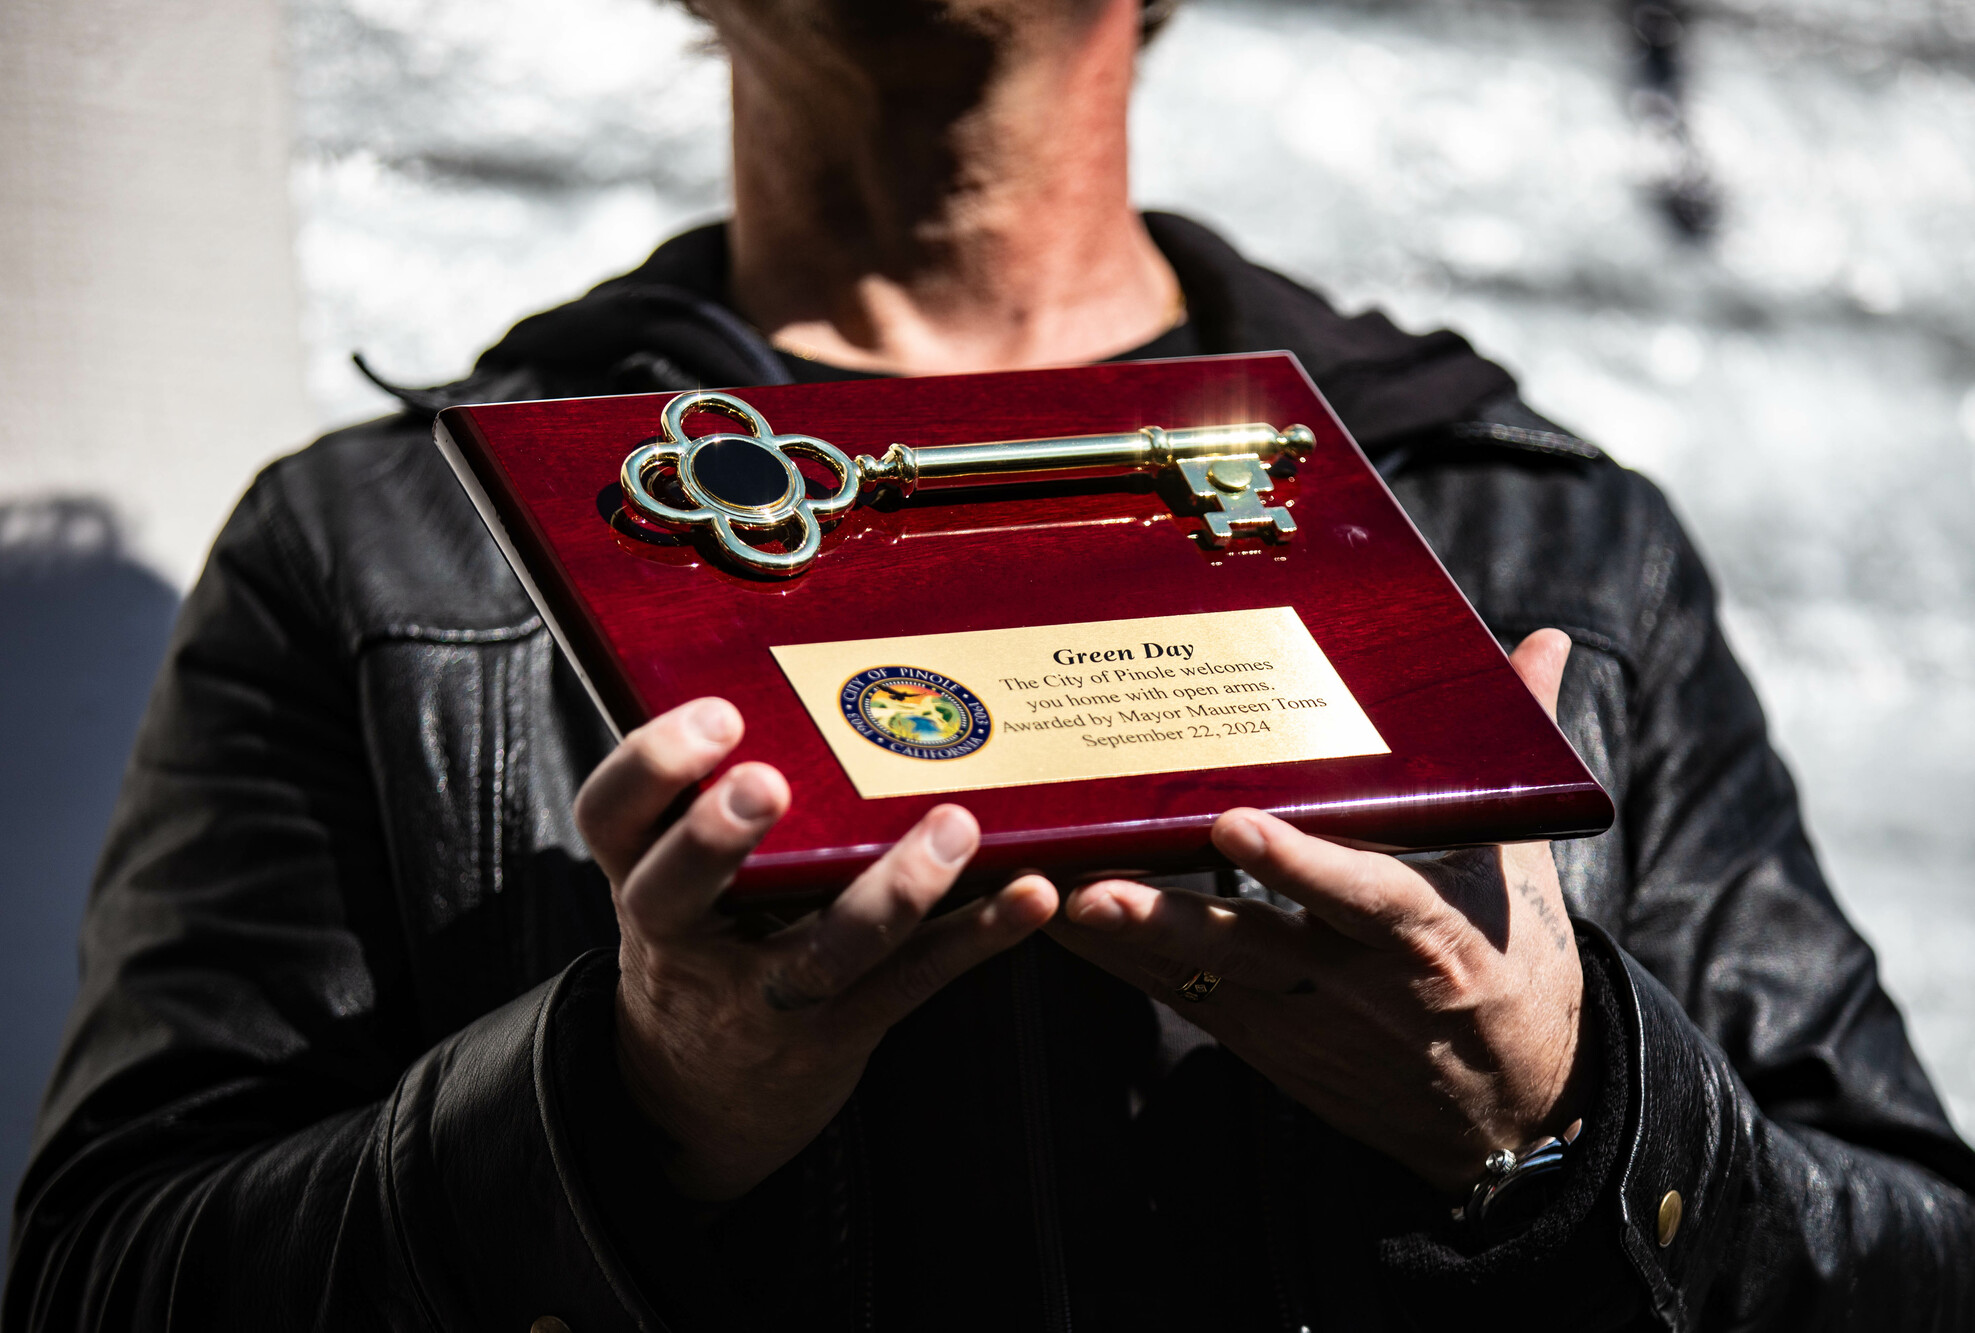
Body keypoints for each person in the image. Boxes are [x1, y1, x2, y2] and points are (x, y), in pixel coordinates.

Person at [8, 0, 1973, 1327]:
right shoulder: (379, 553)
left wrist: (1557, 1108)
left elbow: (1907, 1267)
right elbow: (108, 1282)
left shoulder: (1541, 531)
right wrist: (629, 1109)